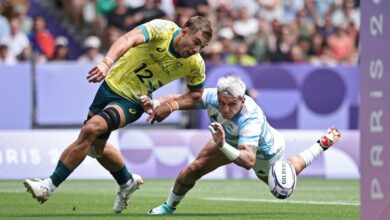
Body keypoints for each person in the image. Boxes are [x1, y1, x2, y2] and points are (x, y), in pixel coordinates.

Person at [23, 15, 213, 214]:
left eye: (202, 46)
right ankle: (127, 181)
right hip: (109, 86)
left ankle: (48, 186)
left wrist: (172, 106)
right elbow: (127, 39)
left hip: (134, 100)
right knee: (96, 148)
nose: (197, 50)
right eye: (196, 42)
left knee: (91, 129)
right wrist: (106, 62)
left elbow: (196, 94)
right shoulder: (163, 29)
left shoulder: (195, 64)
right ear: (184, 32)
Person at [141, 75, 341, 215]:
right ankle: (168, 207)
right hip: (228, 138)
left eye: (232, 104)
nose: (225, 109)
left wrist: (221, 145)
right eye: (222, 103)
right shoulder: (213, 96)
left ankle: (321, 145)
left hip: (265, 154)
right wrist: (157, 104)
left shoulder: (250, 120)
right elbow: (179, 98)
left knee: (281, 188)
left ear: (243, 100)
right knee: (194, 168)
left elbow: (248, 161)